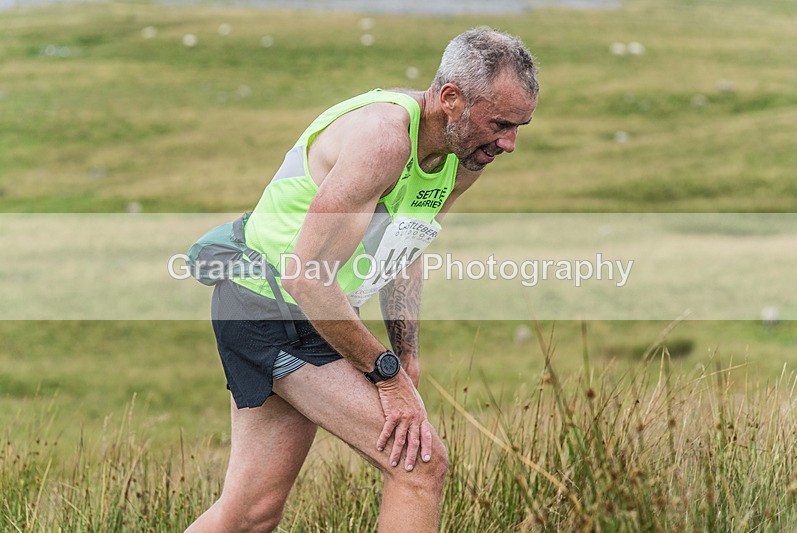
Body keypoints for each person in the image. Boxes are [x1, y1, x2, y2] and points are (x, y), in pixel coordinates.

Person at [186, 27, 539, 533]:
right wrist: (386, 374)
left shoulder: (462, 158)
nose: (509, 143)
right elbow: (305, 275)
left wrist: (407, 355)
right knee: (420, 466)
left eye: (520, 126)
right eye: (501, 124)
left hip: (321, 315)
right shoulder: (382, 139)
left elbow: (406, 247)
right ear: (450, 99)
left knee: (249, 514)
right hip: (267, 306)